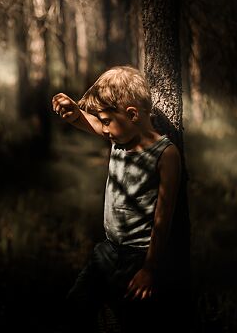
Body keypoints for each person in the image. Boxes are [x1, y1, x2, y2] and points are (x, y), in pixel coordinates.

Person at [51, 66, 182, 332]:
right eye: (103, 121)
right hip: (108, 251)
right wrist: (73, 111)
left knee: (124, 322)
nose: (104, 128)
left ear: (132, 114)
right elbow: (91, 122)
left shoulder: (165, 154)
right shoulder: (119, 138)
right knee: (76, 305)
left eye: (107, 120)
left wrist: (149, 269)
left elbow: (163, 217)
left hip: (138, 258)